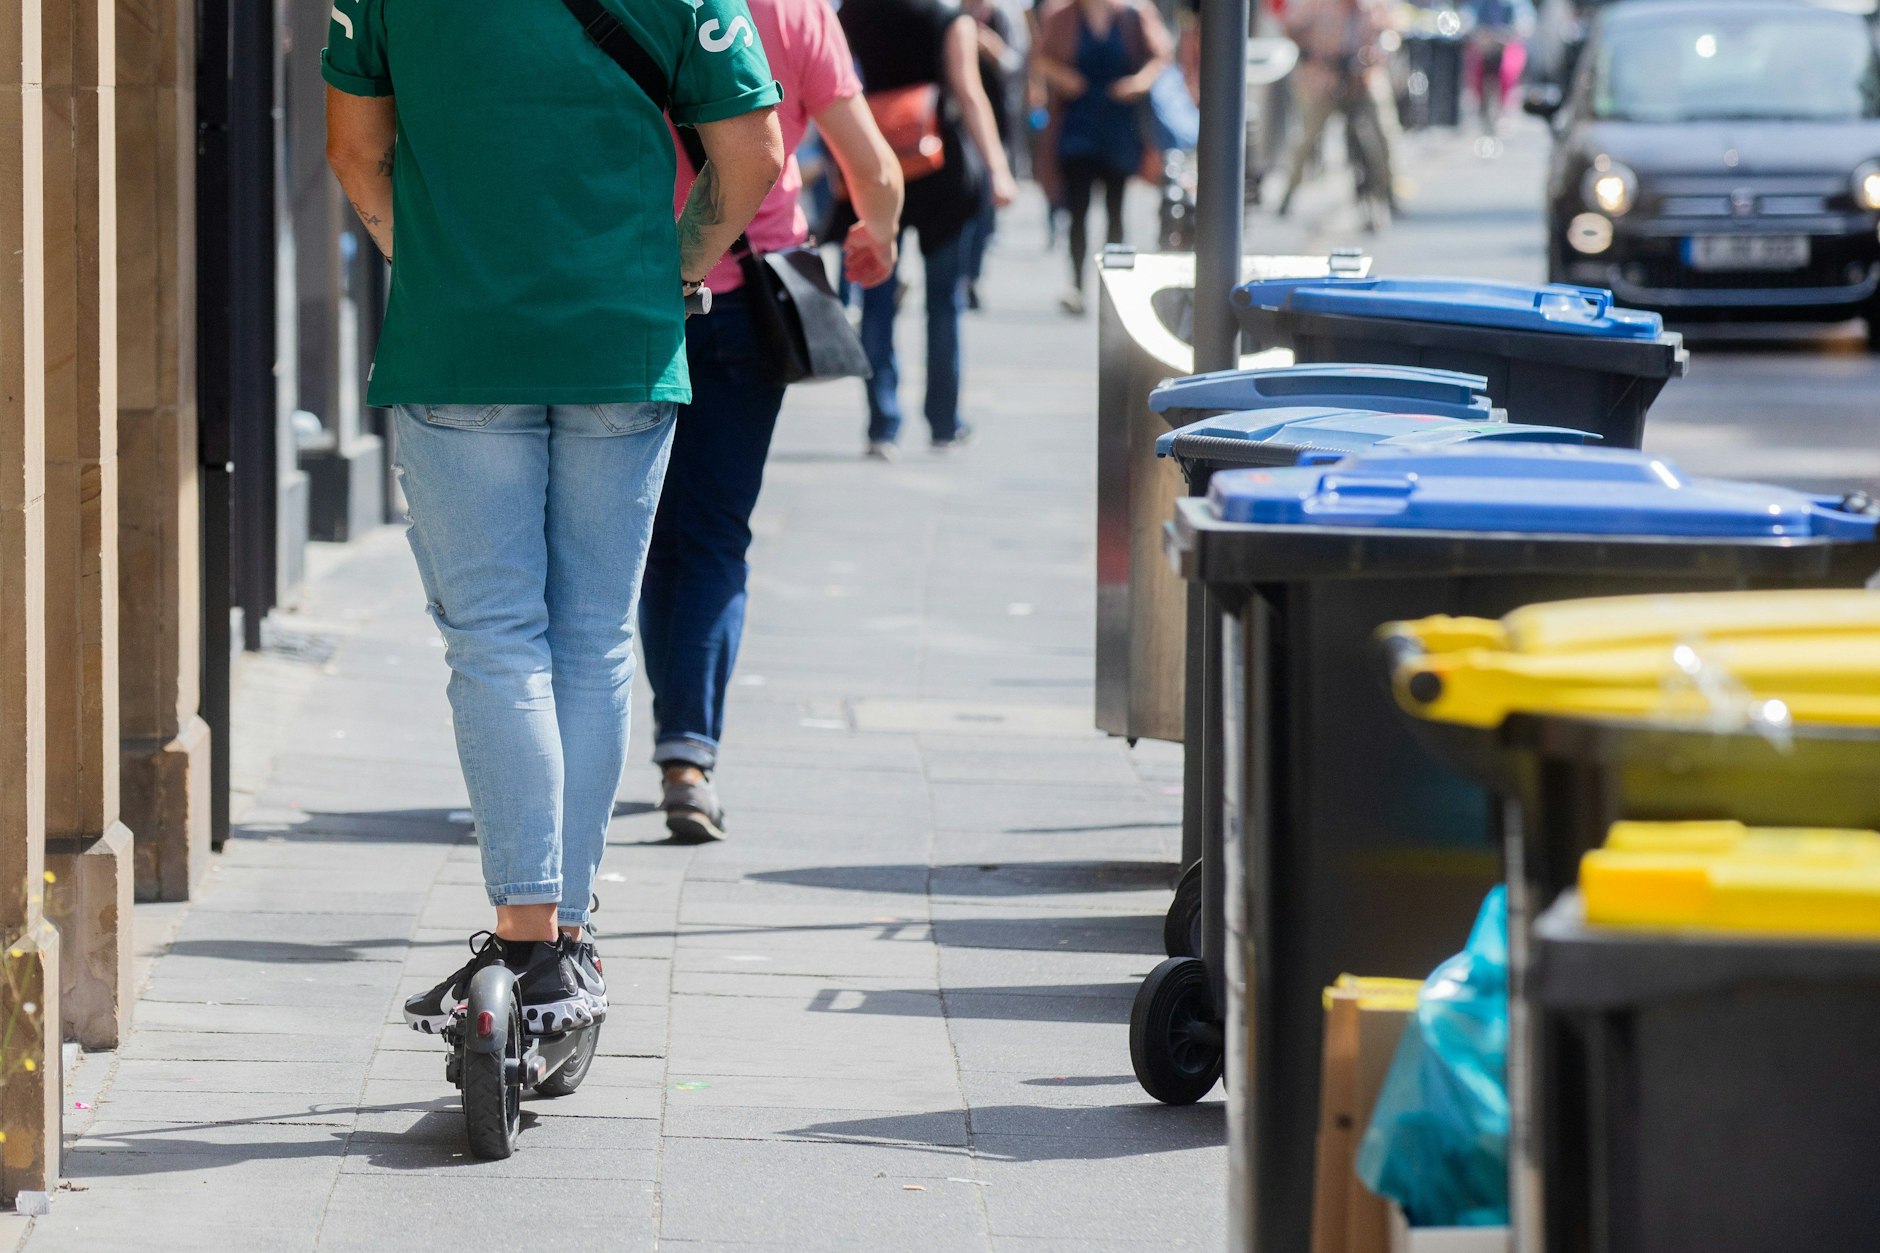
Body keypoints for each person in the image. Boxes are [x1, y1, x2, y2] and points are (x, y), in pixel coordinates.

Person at [323, 0, 784, 1033]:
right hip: (619, 342)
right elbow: (752, 152)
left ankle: (524, 932)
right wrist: (671, 269)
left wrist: (426, 260)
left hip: (456, 343)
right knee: (590, 637)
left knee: (494, 638)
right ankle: (565, 946)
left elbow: (354, 153)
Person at [642, 0, 905, 842]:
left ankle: (668, 726)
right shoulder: (795, 13)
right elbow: (876, 166)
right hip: (748, 304)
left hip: (632, 298)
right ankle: (687, 755)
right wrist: (879, 234)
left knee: (645, 532)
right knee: (715, 533)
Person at [839, 0, 1019, 459]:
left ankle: (882, 426)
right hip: (940, 169)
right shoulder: (947, 18)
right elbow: (968, 92)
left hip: (875, 166)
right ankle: (944, 422)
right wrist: (999, 169)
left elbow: (835, 89)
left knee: (876, 300)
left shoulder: (854, 14)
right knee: (944, 303)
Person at [1033, 0, 1173, 316]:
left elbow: (1161, 57)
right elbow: (1040, 59)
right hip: (1077, 125)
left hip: (1118, 126)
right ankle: (1077, 284)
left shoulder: (1133, 15)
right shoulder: (1062, 17)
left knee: (1116, 210)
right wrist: (1063, 77)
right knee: (1077, 209)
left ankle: (1113, 289)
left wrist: (1139, 83)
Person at [1275, 0, 1396, 219]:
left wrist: (1375, 53)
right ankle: (1288, 193)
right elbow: (1290, 27)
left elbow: (1390, 33)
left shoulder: (1372, 7)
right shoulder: (1316, 5)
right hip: (1326, 83)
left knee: (1383, 132)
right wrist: (1312, 53)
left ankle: (1388, 192)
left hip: (1363, 81)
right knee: (1306, 138)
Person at [963, 0, 1024, 310]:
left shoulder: (1003, 17)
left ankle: (972, 274)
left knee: (986, 210)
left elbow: (1019, 64)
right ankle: (962, 274)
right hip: (957, 131)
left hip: (995, 129)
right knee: (962, 209)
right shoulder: (951, 15)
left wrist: (993, 50)